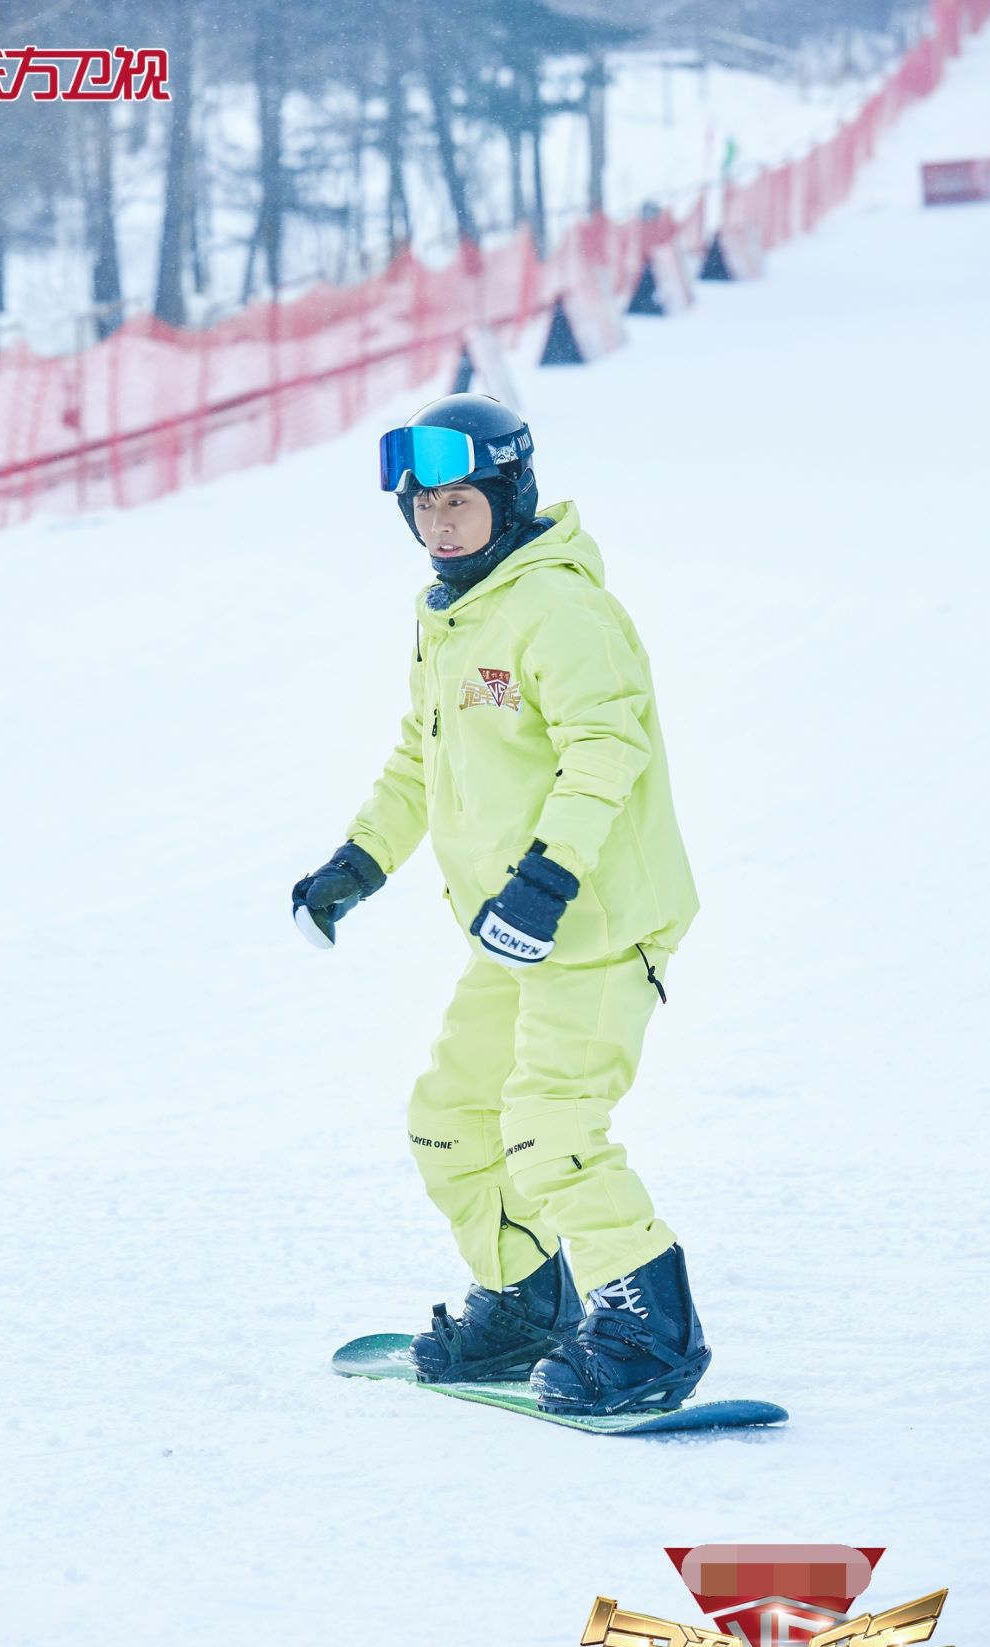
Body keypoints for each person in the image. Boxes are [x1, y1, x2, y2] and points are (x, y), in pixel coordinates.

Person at [292, 393, 709, 1416]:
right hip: (516, 933)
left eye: (460, 503)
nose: (439, 525)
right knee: (449, 1120)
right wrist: (358, 862)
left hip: (597, 923)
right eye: (422, 507)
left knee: (550, 1126)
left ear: (510, 497)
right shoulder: (450, 615)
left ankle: (654, 1336)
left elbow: (608, 749)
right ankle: (527, 1304)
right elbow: (417, 758)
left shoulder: (561, 609)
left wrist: (547, 878)